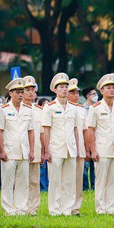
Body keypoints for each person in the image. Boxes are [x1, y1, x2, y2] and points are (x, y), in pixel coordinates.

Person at [42, 73, 81, 216]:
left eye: (66, 87)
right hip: (55, 147)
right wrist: (46, 150)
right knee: (55, 181)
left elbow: (76, 129)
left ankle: (67, 209)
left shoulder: (73, 107)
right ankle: (54, 209)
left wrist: (77, 148)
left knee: (70, 181)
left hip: (70, 148)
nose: (64, 89)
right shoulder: (50, 107)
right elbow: (46, 129)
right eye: (61, 87)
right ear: (55, 90)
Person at [0, 78, 34, 215]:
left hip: (24, 150)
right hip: (9, 150)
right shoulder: (3, 109)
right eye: (17, 92)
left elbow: (31, 131)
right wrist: (1, 151)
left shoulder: (28, 109)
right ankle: (9, 209)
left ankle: (21, 208)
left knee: (23, 182)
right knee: (7, 182)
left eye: (22, 92)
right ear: (10, 93)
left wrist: (32, 150)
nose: (20, 95)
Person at [86, 74, 114, 214]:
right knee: (101, 179)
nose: (113, 90)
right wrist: (92, 150)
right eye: (109, 88)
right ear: (101, 91)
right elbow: (91, 130)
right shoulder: (95, 108)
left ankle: (112, 207)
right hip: (102, 147)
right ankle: (101, 208)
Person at [23, 76, 43, 215]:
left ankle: (33, 208)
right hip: (21, 149)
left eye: (32, 90)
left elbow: (42, 132)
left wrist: (43, 151)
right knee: (21, 180)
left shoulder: (39, 110)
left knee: (34, 181)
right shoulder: (18, 108)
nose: (30, 93)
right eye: (27, 90)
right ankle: (22, 206)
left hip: (36, 149)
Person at [67, 78, 87, 215]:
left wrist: (87, 148)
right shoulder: (62, 108)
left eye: (77, 92)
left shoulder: (81, 109)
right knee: (67, 179)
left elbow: (85, 131)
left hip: (80, 147)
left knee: (78, 180)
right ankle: (65, 206)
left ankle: (76, 208)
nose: (76, 95)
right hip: (67, 147)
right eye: (72, 92)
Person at [82, 86, 98, 191]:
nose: (96, 96)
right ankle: (85, 187)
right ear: (88, 96)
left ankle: (94, 185)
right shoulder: (82, 109)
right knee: (85, 166)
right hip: (84, 139)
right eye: (93, 94)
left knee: (95, 165)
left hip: (96, 139)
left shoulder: (98, 107)